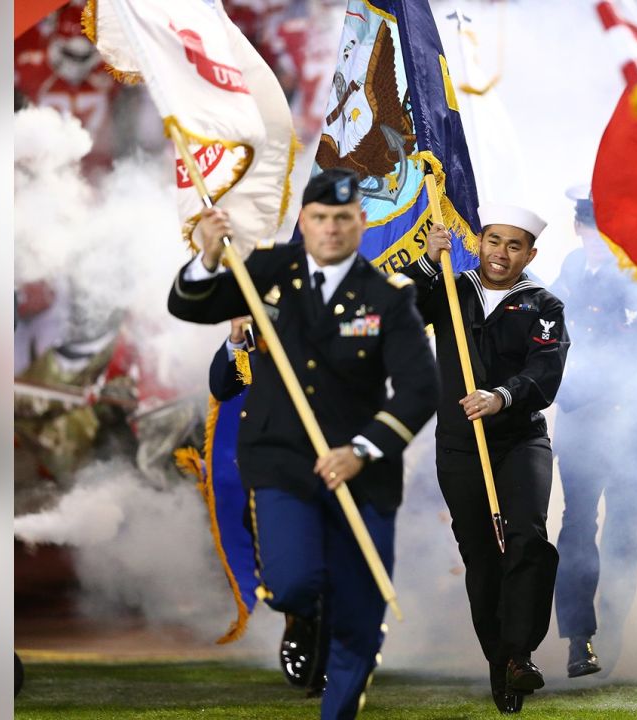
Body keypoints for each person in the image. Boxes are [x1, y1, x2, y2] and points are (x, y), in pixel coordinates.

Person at [168, 168, 440, 720]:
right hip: (283, 462)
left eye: (343, 218)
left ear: (361, 223)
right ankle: (309, 614)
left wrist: (363, 449)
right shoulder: (266, 273)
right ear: (306, 223)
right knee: (292, 585)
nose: (331, 229)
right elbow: (190, 304)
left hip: (360, 468)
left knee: (360, 622)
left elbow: (420, 389)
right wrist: (208, 257)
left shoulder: (386, 299)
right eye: (319, 218)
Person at [401, 206, 569, 714]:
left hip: (521, 440)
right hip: (459, 443)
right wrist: (429, 264)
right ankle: (498, 658)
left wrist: (502, 395)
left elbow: (547, 370)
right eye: (493, 241)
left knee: (527, 537)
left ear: (530, 254)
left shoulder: (544, 304)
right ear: (478, 242)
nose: (501, 252)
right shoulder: (451, 289)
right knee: (480, 553)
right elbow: (392, 312)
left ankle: (520, 653)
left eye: (514, 245)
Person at [550, 187, 637, 678]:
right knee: (576, 528)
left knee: (625, 532)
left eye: (605, 229)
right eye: (589, 227)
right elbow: (550, 333)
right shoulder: (570, 273)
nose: (597, 238)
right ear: (578, 228)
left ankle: (615, 625)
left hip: (634, 423)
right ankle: (581, 638)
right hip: (582, 422)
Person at [208, 318, 328, 695]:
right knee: (282, 563)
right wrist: (237, 337)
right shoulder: (256, 344)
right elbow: (224, 384)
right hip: (274, 467)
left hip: (334, 457)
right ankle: (299, 619)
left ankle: (329, 640)